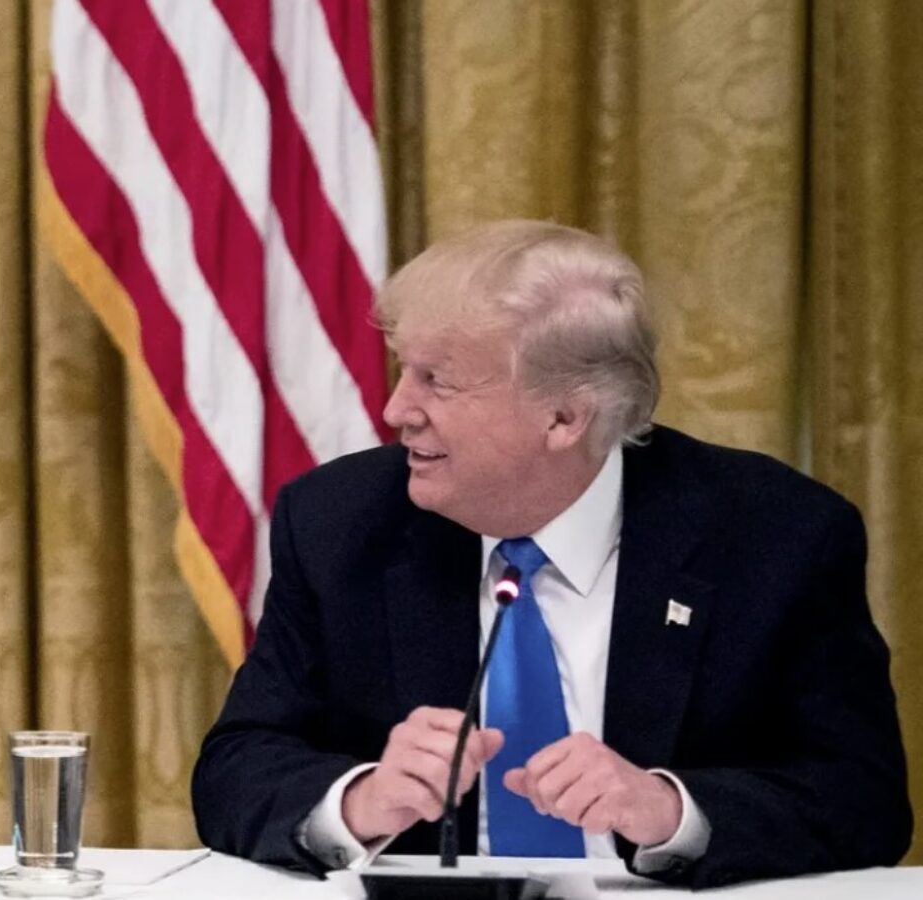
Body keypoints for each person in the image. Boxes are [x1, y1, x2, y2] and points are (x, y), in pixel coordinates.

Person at [191, 220, 911, 888]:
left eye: (437, 380)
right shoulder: (339, 522)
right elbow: (235, 769)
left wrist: (669, 811)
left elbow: (863, 801)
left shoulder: (776, 536)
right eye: (405, 370)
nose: (397, 409)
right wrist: (361, 800)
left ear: (565, 417)